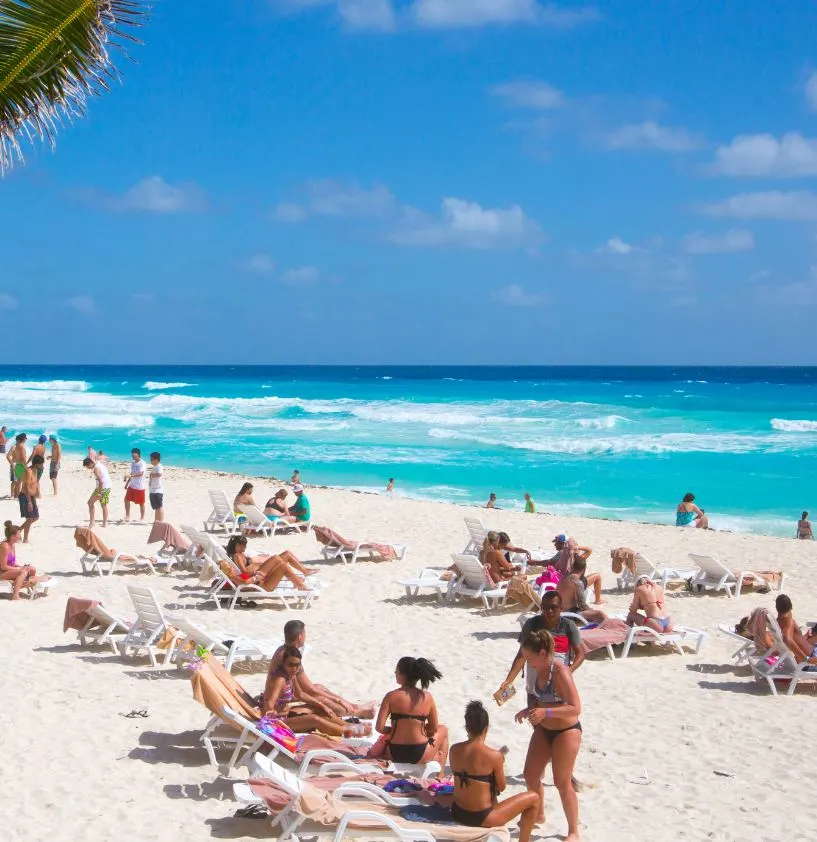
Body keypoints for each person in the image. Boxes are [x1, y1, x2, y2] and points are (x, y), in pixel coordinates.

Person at [516, 629, 583, 842]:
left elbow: (575, 707)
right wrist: (530, 709)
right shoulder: (538, 669)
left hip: (567, 731)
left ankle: (573, 831)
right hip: (545, 729)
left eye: (529, 657)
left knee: (562, 782)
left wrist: (546, 712)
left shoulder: (561, 671)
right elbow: (543, 699)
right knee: (531, 775)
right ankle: (539, 813)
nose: (527, 662)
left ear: (543, 653)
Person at [448, 701, 539, 840]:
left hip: (458, 812)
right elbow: (501, 787)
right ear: (486, 728)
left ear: (467, 728)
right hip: (481, 817)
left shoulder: (454, 750)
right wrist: (499, 763)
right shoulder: (493, 756)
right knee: (534, 798)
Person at [266, 620, 375, 718]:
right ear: (300, 636)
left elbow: (305, 689)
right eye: (304, 633)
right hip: (279, 700)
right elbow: (309, 689)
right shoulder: (291, 659)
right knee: (322, 699)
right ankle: (358, 712)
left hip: (283, 693)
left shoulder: (284, 650)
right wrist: (339, 701)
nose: (305, 636)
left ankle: (354, 706)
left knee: (319, 687)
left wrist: (340, 701)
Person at [496, 591, 585, 703]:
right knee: (534, 716)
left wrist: (567, 671)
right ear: (541, 607)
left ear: (561, 608)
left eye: (554, 607)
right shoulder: (532, 625)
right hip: (534, 686)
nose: (549, 611)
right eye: (546, 607)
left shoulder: (568, 626)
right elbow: (522, 655)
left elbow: (580, 654)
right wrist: (508, 682)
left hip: (559, 685)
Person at [261, 646, 370, 737]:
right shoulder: (280, 680)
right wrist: (271, 710)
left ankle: (347, 725)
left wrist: (321, 705)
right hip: (276, 724)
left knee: (320, 711)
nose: (294, 668)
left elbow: (301, 694)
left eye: (297, 665)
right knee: (314, 719)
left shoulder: (291, 676)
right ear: (283, 663)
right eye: (290, 664)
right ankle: (347, 731)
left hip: (286, 716)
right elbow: (270, 701)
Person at [375, 656, 449, 767]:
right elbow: (433, 728)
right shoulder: (427, 697)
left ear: (402, 675)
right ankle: (440, 775)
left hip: (394, 753)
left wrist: (392, 729)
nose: (395, 673)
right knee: (443, 729)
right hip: (420, 752)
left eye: (397, 671)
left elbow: (379, 728)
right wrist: (420, 729)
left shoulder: (391, 696)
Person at [224, 535, 317, 592]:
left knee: (287, 554)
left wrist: (262, 559)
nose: (246, 547)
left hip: (262, 575)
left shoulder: (240, 554)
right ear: (238, 545)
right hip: (260, 578)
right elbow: (244, 571)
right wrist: (255, 573)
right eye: (244, 545)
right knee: (277, 559)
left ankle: (303, 573)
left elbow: (250, 564)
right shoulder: (237, 556)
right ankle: (298, 582)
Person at [0, 521, 49, 599]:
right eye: (19, 534)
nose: (20, 536)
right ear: (13, 536)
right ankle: (15, 595)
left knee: (32, 569)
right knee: (23, 571)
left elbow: (12, 563)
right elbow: (3, 566)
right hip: (2, 573)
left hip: (9, 571)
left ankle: (30, 587)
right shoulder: (4, 546)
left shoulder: (12, 545)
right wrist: (19, 569)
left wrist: (21, 566)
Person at [556, 557, 607, 624]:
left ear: (573, 567)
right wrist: (593, 611)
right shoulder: (577, 583)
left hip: (557, 612)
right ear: (584, 569)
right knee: (600, 614)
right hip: (568, 616)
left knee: (595, 613)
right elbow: (582, 606)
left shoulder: (563, 578)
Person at [775, 594, 817, 663]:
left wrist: (806, 635)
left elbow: (796, 638)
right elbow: (787, 639)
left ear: (776, 608)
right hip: (812, 657)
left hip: (808, 653)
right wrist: (806, 659)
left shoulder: (777, 622)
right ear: (791, 607)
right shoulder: (789, 621)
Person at [83, 456, 111, 528]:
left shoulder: (96, 468)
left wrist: (99, 493)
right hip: (107, 487)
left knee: (90, 502)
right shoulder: (99, 464)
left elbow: (101, 481)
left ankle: (92, 523)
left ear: (90, 464)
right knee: (103, 505)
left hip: (102, 488)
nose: (88, 468)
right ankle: (104, 524)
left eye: (87, 466)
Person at [18, 457, 42, 543]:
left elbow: (35, 482)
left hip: (31, 496)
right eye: (41, 464)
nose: (42, 465)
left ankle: (19, 529)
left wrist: (38, 491)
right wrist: (29, 502)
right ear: (37, 464)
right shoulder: (29, 471)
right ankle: (25, 539)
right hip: (25, 496)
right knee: (29, 518)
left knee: (36, 517)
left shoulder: (35, 470)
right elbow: (26, 487)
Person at [124, 448, 147, 521]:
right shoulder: (133, 463)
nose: (132, 456)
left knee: (141, 503)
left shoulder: (142, 463)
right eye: (132, 455)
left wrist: (131, 476)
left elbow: (141, 473)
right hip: (132, 485)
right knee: (126, 500)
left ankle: (142, 517)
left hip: (140, 486)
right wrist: (127, 483)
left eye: (134, 455)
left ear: (138, 455)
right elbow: (131, 473)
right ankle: (127, 516)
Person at [7, 433, 27, 498]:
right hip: (16, 464)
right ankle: (13, 495)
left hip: (17, 464)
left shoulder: (18, 446)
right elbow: (7, 456)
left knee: (16, 481)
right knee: (15, 481)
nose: (26, 439)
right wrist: (12, 464)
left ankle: (14, 495)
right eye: (25, 438)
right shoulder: (15, 446)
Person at [148, 452, 164, 523]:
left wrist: (152, 475)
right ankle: (156, 520)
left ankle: (160, 521)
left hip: (158, 490)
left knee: (159, 507)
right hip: (153, 490)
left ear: (156, 460)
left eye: (152, 459)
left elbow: (159, 474)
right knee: (156, 507)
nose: (150, 461)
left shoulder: (159, 466)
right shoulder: (154, 467)